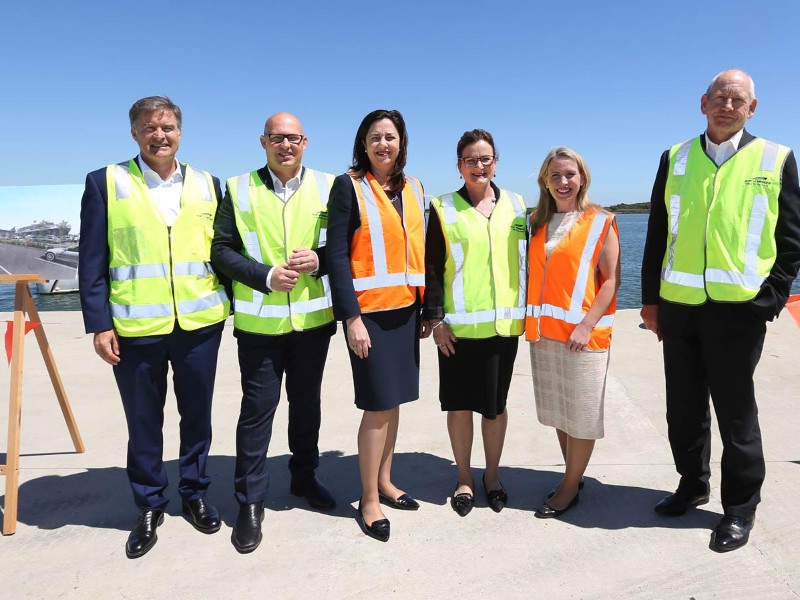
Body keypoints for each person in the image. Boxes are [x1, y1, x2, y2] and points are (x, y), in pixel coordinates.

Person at [641, 69, 800, 552]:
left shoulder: (776, 158)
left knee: (735, 414)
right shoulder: (675, 157)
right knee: (683, 409)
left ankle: (738, 508)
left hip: (738, 312)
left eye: (738, 99)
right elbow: (656, 233)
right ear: (703, 102)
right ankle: (692, 485)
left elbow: (790, 240)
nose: (727, 105)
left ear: (752, 108)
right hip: (680, 307)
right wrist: (651, 301)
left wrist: (768, 300)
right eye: (719, 97)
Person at [78, 96, 230, 559]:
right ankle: (148, 504)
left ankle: (195, 492)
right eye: (149, 127)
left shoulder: (209, 183)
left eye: (167, 127)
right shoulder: (106, 182)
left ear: (180, 132)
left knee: (197, 416)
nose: (159, 135)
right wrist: (99, 323)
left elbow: (222, 251)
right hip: (136, 327)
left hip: (199, 324)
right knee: (144, 423)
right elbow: (92, 260)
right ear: (134, 133)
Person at [210, 112, 336, 554]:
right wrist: (264, 276)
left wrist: (319, 260)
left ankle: (305, 479)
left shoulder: (329, 185)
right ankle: (250, 502)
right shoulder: (238, 187)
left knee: (307, 407)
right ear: (263, 142)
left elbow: (343, 243)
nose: (286, 145)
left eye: (293, 138)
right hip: (260, 326)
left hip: (313, 323)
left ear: (306, 142)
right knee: (257, 413)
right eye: (277, 138)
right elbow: (220, 249)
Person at [327, 109, 426, 542]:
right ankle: (368, 499)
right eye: (375, 137)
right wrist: (351, 319)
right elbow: (335, 256)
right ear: (363, 143)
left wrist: (428, 311)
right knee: (376, 405)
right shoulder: (348, 186)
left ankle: (386, 481)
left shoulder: (414, 188)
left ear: (401, 142)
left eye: (390, 136)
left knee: (395, 402)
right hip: (369, 316)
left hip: (405, 312)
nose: (383, 144)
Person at [423, 129, 526, 516]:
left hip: (503, 329)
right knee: (460, 406)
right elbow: (431, 266)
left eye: (485, 159)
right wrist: (435, 321)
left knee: (495, 408)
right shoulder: (443, 207)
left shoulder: (517, 205)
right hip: (458, 331)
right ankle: (465, 477)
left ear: (495, 162)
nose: (479, 166)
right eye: (470, 160)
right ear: (459, 165)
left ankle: (493, 477)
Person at [526, 147, 620, 519]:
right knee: (559, 411)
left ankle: (569, 487)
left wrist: (585, 325)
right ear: (544, 182)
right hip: (545, 334)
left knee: (580, 413)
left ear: (582, 178)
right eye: (555, 176)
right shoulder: (536, 221)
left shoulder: (601, 221)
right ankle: (573, 474)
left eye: (570, 175)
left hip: (583, 338)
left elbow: (611, 281)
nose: (563, 182)